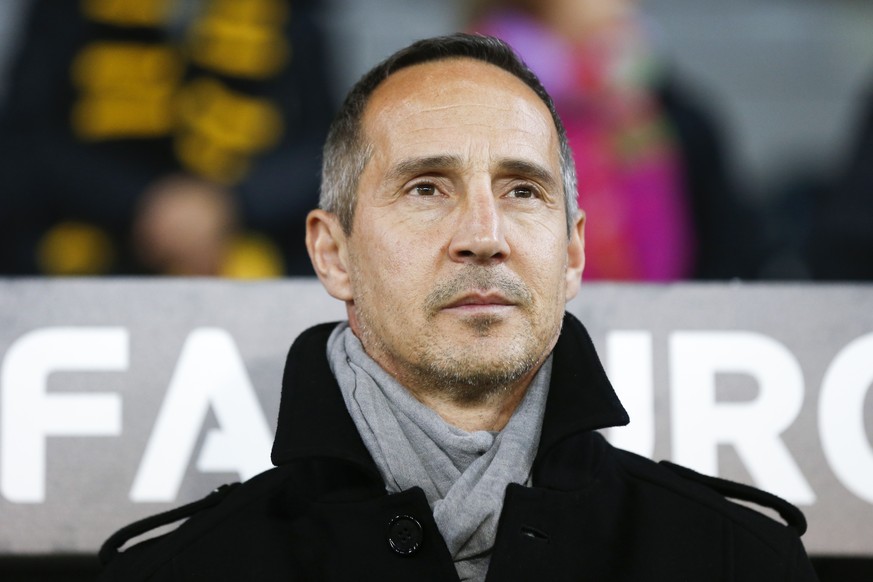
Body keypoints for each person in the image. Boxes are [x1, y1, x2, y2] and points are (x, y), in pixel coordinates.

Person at [96, 34, 818, 581]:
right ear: (332, 254)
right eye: (426, 189)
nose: (483, 236)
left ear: (571, 254)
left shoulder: (740, 561)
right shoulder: (180, 572)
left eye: (521, 191)